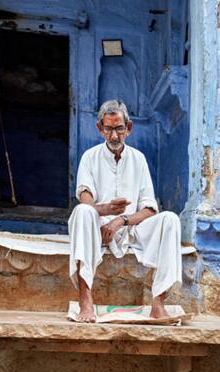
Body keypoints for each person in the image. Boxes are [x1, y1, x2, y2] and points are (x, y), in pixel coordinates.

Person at [69, 99, 182, 323]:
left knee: (170, 219)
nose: (114, 136)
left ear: (128, 129)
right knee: (82, 212)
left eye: (119, 128)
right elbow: (85, 200)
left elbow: (149, 209)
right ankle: (85, 300)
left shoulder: (138, 159)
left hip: (131, 229)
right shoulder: (89, 158)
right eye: (109, 128)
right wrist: (106, 210)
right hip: (97, 230)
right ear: (100, 128)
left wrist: (121, 219)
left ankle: (158, 303)